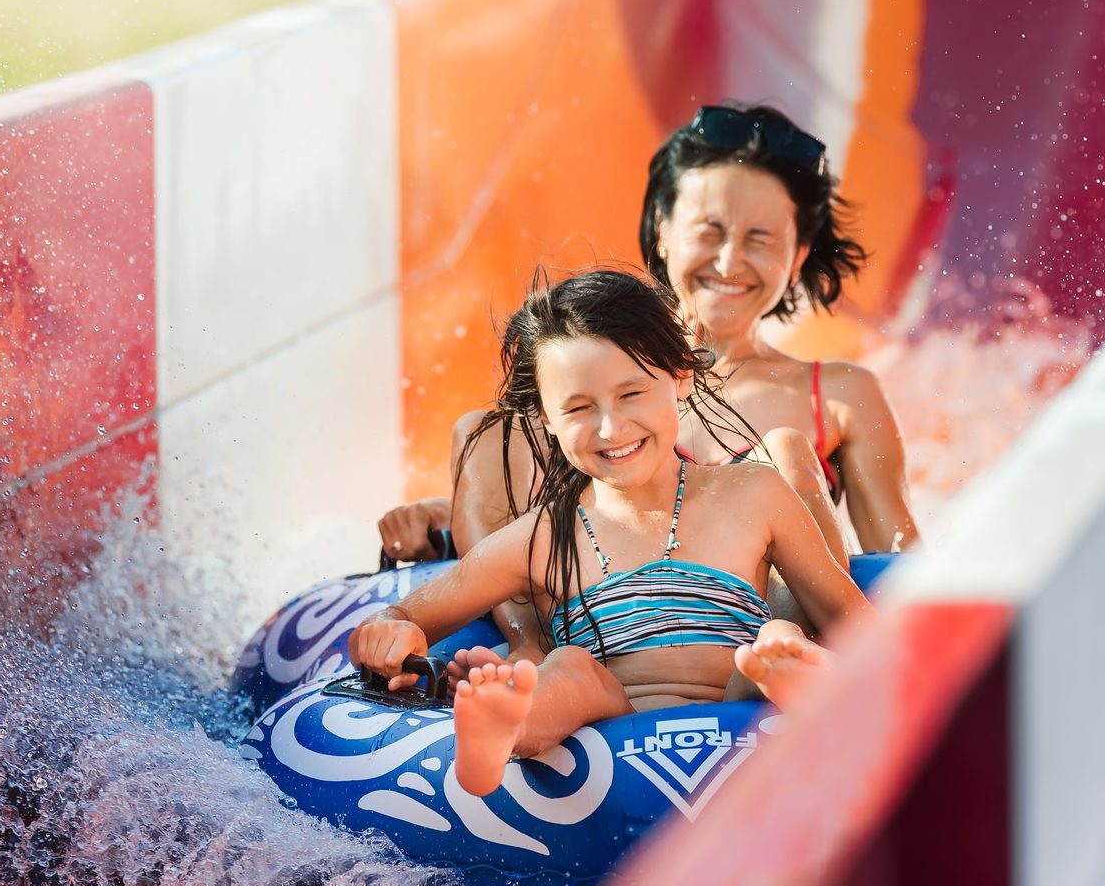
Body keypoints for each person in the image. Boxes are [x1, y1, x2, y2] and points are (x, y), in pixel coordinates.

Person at [348, 270, 866, 798]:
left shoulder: (755, 493)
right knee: (570, 669)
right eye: (577, 407)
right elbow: (411, 613)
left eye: (631, 393)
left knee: (778, 641)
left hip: (742, 701)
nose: (610, 429)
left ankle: (801, 686)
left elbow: (854, 623)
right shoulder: (542, 536)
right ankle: (505, 730)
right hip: (614, 724)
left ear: (681, 374)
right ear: (545, 417)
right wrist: (391, 630)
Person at [377, 104, 918, 596]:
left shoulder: (841, 396)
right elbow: (569, 509)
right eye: (709, 232)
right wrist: (447, 523)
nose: (730, 263)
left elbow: (899, 565)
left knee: (781, 454)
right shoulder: (588, 369)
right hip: (594, 634)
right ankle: (532, 650)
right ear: (663, 231)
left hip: (763, 636)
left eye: (760, 239)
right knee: (486, 428)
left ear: (797, 256)